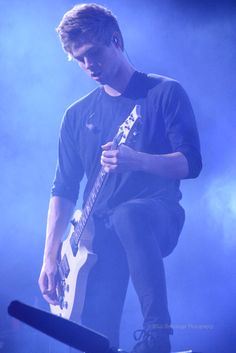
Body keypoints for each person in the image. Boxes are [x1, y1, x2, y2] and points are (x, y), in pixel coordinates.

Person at [38, 3, 202, 353]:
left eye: (93, 53)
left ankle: (158, 335)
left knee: (129, 214)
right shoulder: (76, 115)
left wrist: (137, 160)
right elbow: (64, 189)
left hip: (157, 216)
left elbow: (191, 164)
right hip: (95, 236)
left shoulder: (163, 92)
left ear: (117, 39)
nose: (88, 65)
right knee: (99, 339)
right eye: (78, 59)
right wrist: (50, 256)